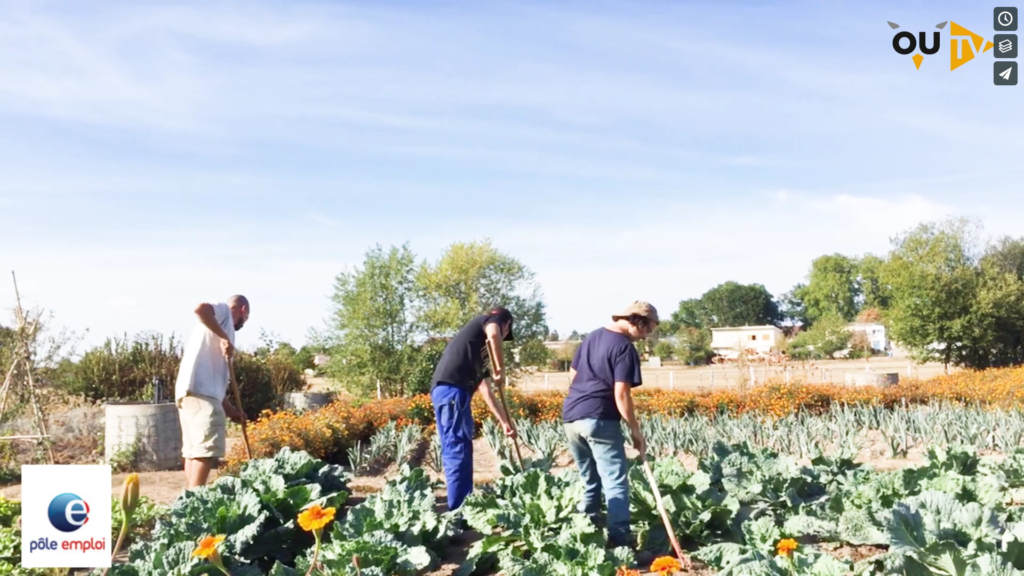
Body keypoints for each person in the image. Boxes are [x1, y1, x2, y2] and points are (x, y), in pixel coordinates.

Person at [562, 301, 657, 549]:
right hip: (599, 417)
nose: (647, 336)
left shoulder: (591, 338)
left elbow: (573, 377)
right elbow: (621, 394)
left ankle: (586, 534)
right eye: (648, 329)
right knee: (615, 480)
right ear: (638, 321)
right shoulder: (624, 347)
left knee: (589, 478)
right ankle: (619, 541)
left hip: (572, 416)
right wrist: (636, 432)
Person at [430, 307, 518, 511]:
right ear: (506, 324)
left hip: (452, 394)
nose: (503, 338)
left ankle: (465, 507)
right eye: (506, 333)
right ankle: (458, 511)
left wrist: (505, 422)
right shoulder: (490, 322)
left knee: (462, 449)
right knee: (457, 451)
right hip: (452, 391)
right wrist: (500, 369)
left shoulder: (478, 354)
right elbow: (494, 333)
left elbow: (487, 391)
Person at [174, 295, 250, 488]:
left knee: (194, 451)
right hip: (201, 393)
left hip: (193, 392)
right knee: (204, 451)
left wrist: (231, 411)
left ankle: (189, 499)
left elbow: (215, 383)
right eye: (247, 317)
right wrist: (224, 337)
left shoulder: (218, 330)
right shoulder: (224, 313)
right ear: (242, 310)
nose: (245, 322)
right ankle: (195, 500)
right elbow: (200, 309)